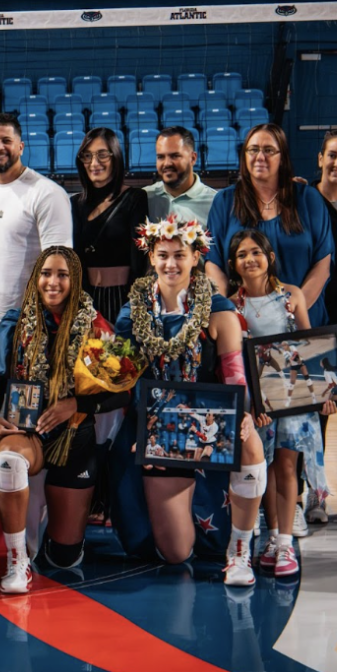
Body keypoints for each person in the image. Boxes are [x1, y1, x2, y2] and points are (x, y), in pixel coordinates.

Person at [114, 217, 268, 587]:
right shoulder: (130, 312)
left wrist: (243, 413)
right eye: (163, 255)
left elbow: (234, 373)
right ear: (150, 257)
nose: (171, 264)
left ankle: (240, 550)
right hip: (158, 424)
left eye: (179, 255)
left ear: (195, 257)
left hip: (208, 416)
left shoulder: (219, 309)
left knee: (250, 442)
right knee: (176, 552)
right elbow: (124, 377)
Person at [0, 247, 125, 592]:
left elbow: (122, 391)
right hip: (28, 433)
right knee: (7, 462)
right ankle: (19, 562)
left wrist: (75, 404)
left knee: (65, 557)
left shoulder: (96, 326)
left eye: (63, 274)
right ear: (36, 277)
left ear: (75, 280)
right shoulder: (14, 323)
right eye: (46, 273)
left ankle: (50, 533)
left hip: (75, 436)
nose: (53, 281)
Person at [228, 229, 332, 577]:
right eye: (242, 254)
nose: (250, 259)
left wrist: (326, 394)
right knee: (266, 467)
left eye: (256, 252)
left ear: (269, 256)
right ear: (234, 264)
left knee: (287, 467)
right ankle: (272, 537)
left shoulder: (292, 295)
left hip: (291, 395)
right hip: (256, 403)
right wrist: (248, 405)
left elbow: (311, 345)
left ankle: (286, 543)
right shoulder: (231, 304)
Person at [206, 123, 333, 328]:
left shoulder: (308, 199)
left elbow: (322, 265)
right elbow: (213, 264)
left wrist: (291, 313)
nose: (260, 157)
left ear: (282, 157)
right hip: (244, 325)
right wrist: (225, 311)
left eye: (269, 150)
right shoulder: (224, 201)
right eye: (253, 149)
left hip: (303, 320)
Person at [0, 112, 71, 335]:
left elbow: (61, 263)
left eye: (6, 141)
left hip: (36, 318)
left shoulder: (47, 193)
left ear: (20, 147)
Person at [69, 127, 149, 318]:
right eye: (87, 156)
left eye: (102, 155)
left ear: (116, 157)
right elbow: (76, 258)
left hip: (125, 297)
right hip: (87, 299)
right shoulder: (74, 204)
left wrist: (132, 307)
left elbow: (138, 260)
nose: (94, 163)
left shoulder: (135, 198)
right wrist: (86, 306)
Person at [144, 127, 219, 224]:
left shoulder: (215, 203)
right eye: (160, 157)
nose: (167, 163)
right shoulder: (144, 197)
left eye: (175, 156)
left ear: (193, 158)